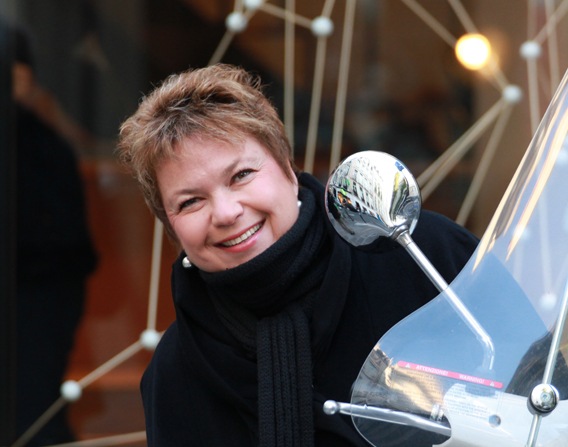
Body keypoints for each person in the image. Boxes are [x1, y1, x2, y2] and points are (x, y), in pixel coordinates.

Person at [117, 63, 478, 446]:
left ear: (288, 170)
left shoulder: (417, 254)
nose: (225, 213)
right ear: (170, 226)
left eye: (241, 175)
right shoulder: (176, 372)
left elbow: (523, 381)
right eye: (190, 201)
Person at [12, 26, 98, 445]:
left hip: (35, 303)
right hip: (38, 295)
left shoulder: (43, 146)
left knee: (32, 413)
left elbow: (65, 243)